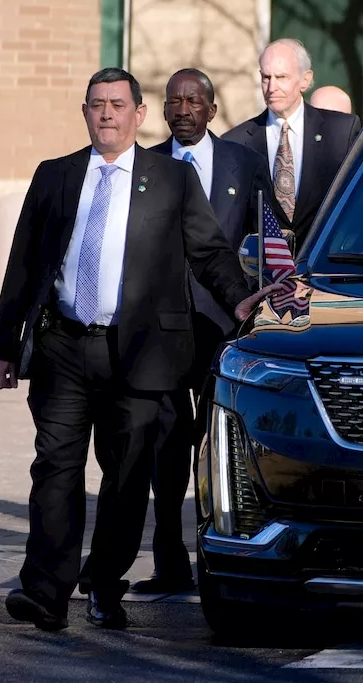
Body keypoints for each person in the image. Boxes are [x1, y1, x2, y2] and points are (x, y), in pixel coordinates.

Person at [0, 68, 283, 632]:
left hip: (141, 353)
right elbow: (24, 262)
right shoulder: (56, 176)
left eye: (118, 105)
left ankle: (104, 581)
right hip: (64, 347)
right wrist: (5, 346)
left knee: (125, 478)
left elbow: (210, 251)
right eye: (97, 104)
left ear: (138, 114)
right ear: (84, 112)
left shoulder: (169, 178)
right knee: (55, 466)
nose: (107, 114)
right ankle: (45, 592)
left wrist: (242, 300)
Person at [132, 68, 272, 595]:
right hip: (162, 332)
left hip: (223, 328)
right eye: (174, 101)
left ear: (212, 111)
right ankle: (169, 564)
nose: (183, 108)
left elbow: (270, 235)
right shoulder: (146, 167)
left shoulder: (244, 164)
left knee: (219, 447)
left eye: (194, 100)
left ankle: (223, 559)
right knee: (165, 449)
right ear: (164, 111)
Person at [223, 39, 362, 248]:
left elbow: (359, 205)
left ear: (305, 80)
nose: (271, 87)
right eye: (265, 77)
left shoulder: (341, 132)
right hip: (264, 275)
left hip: (322, 270)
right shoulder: (236, 142)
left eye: (281, 77)